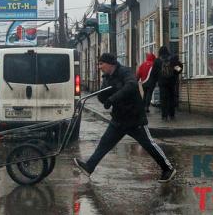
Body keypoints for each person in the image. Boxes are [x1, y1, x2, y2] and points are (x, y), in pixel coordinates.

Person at [73, 53, 176, 183]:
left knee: (148, 144)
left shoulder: (125, 72)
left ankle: (168, 169)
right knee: (104, 143)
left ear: (110, 64)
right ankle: (89, 167)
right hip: (119, 118)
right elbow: (103, 97)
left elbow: (132, 85)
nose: (99, 67)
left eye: (101, 64)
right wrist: (104, 97)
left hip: (134, 118)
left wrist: (113, 97)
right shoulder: (107, 78)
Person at [154, 46, 183, 121]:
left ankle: (164, 116)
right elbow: (179, 69)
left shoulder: (157, 61)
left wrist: (157, 80)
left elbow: (154, 73)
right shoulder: (173, 60)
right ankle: (172, 115)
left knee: (163, 99)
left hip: (162, 83)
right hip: (171, 82)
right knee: (171, 98)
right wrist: (175, 73)